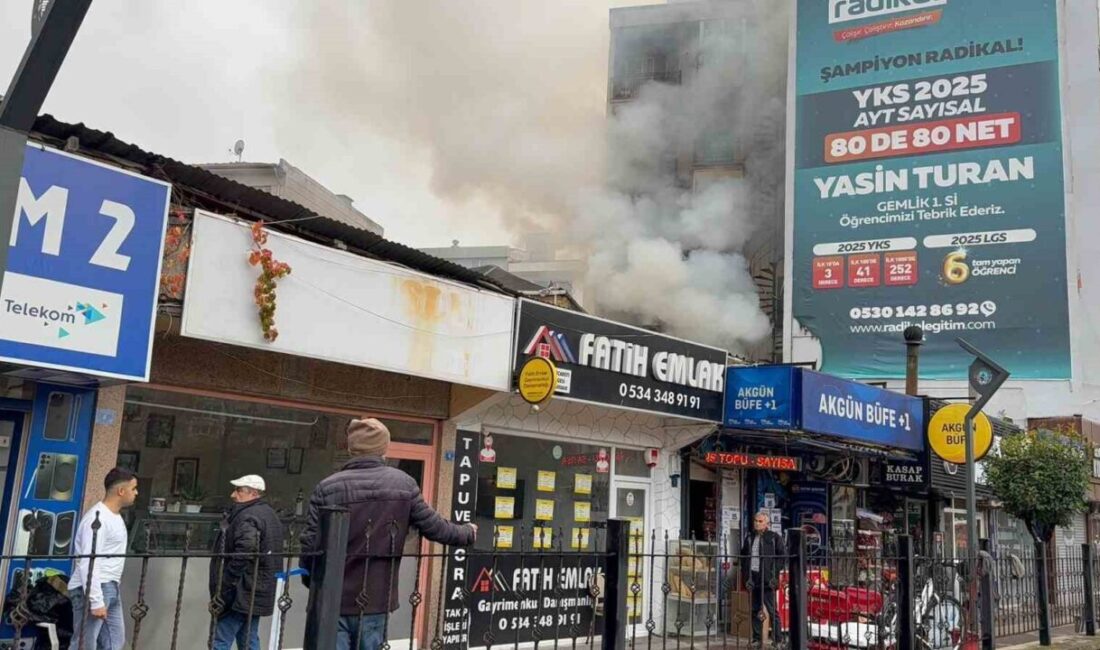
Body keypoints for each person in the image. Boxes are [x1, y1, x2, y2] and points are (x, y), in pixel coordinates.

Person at [301, 418, 478, 650]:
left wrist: (313, 582)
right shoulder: (403, 483)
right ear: (383, 448)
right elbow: (434, 527)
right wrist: (466, 532)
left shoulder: (328, 487)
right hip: (375, 596)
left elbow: (310, 543)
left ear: (350, 448)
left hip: (332, 597)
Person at [210, 475, 284, 650]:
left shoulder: (248, 515)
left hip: (241, 590)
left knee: (220, 640)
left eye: (238, 490)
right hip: (255, 589)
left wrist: (227, 582)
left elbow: (245, 551)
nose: (233, 495)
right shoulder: (268, 513)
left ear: (253, 493)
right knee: (248, 638)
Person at [69, 467, 138, 650]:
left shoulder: (114, 517)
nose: (136, 493)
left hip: (111, 586)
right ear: (121, 491)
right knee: (84, 643)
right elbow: (88, 561)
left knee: (115, 640)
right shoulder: (97, 518)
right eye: (133, 488)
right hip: (96, 586)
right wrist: (96, 600)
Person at [740, 511, 782, 648]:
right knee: (755, 609)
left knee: (771, 610)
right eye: (755, 521)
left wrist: (773, 573)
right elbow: (744, 556)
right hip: (753, 577)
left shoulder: (774, 538)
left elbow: (782, 556)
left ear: (767, 523)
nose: (757, 523)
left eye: (760, 521)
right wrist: (746, 575)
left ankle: (778, 640)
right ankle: (757, 638)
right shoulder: (749, 537)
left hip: (767, 578)